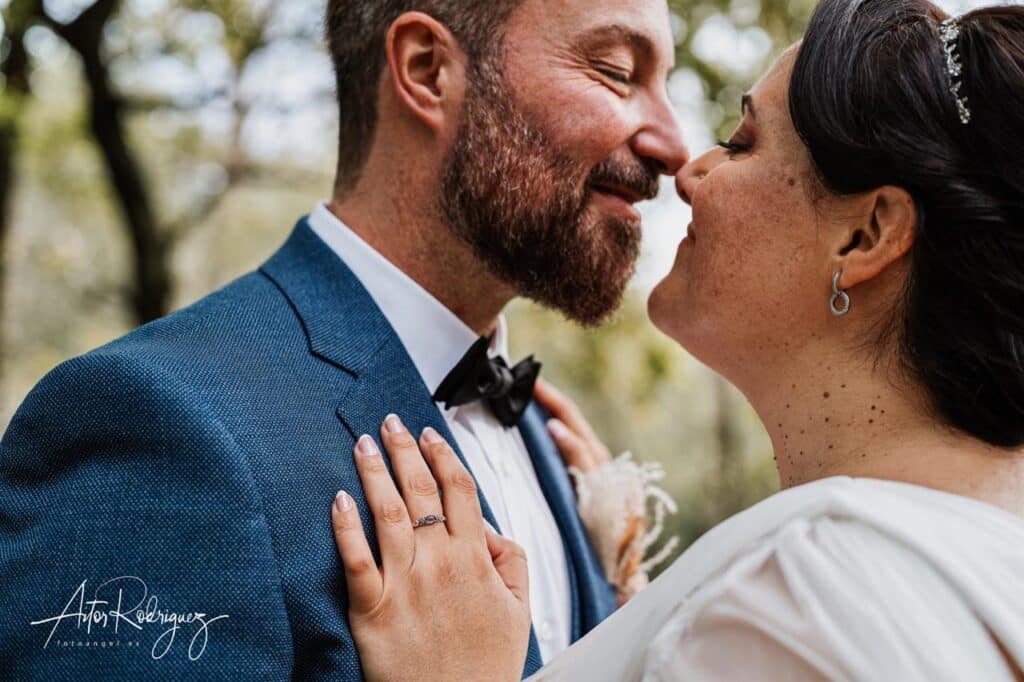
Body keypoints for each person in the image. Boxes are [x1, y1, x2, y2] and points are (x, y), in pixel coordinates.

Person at [330, 0, 1024, 679]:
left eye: (742, 143)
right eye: (614, 71)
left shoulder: (808, 595)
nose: (685, 168)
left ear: (865, 235)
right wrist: (628, 615)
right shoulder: (978, 553)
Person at [0, 0, 688, 677]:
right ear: (427, 70)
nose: (674, 145)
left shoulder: (552, 444)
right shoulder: (157, 425)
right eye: (616, 71)